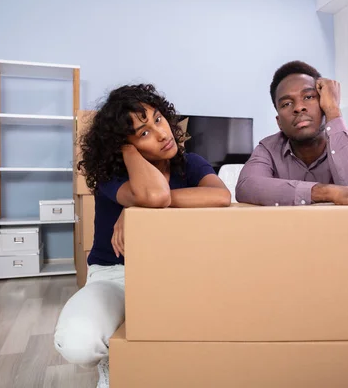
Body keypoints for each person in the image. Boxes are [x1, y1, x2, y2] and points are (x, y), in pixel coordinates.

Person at [54, 84, 231, 388]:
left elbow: (220, 196)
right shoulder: (114, 173)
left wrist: (139, 208)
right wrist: (126, 153)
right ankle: (114, 357)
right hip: (114, 275)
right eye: (143, 133)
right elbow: (153, 193)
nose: (162, 134)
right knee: (77, 342)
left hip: (176, 275)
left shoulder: (190, 164)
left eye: (158, 120)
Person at [235, 60, 348, 371]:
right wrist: (326, 192)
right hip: (287, 257)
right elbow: (246, 186)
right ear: (278, 120)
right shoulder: (268, 149)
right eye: (287, 103)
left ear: (325, 102)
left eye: (309, 97)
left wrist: (336, 115)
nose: (298, 108)